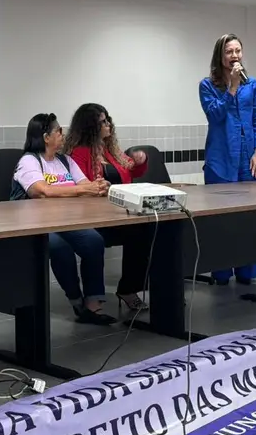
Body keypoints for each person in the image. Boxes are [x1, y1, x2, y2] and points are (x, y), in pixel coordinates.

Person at [11, 113, 116, 325]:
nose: (63, 134)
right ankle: (76, 301)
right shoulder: (29, 161)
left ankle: (93, 304)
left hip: (66, 220)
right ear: (46, 137)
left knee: (94, 241)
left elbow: (85, 185)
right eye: (58, 130)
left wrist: (98, 186)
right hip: (35, 224)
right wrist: (83, 189)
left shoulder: (65, 161)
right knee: (60, 248)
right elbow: (42, 191)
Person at [65, 103, 153, 313]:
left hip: (118, 212)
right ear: (91, 127)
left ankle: (131, 288)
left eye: (108, 120)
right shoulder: (79, 153)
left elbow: (132, 171)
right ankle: (111, 295)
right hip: (94, 217)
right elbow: (81, 187)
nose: (108, 125)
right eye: (103, 122)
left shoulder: (110, 150)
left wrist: (140, 160)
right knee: (136, 233)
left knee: (147, 229)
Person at [199, 33, 256, 285]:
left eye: (238, 51)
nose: (235, 56)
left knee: (249, 218)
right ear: (220, 56)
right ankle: (221, 272)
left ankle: (247, 272)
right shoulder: (207, 85)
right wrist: (232, 88)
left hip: (248, 159)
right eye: (229, 51)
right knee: (222, 219)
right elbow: (214, 116)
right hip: (220, 160)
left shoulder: (253, 84)